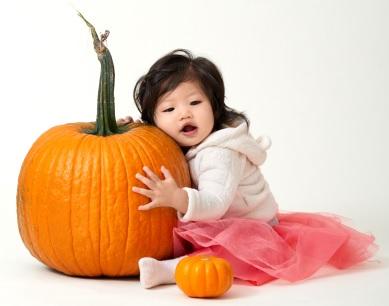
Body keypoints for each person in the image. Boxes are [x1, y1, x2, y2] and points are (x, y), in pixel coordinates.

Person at [120, 49, 377, 289]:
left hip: (252, 228)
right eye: (169, 108)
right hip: (214, 221)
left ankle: (172, 271)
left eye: (195, 102)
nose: (184, 114)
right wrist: (133, 131)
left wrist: (177, 198)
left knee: (229, 254)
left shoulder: (220, 153)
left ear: (215, 106)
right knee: (206, 242)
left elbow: (216, 203)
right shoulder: (180, 142)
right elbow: (151, 145)